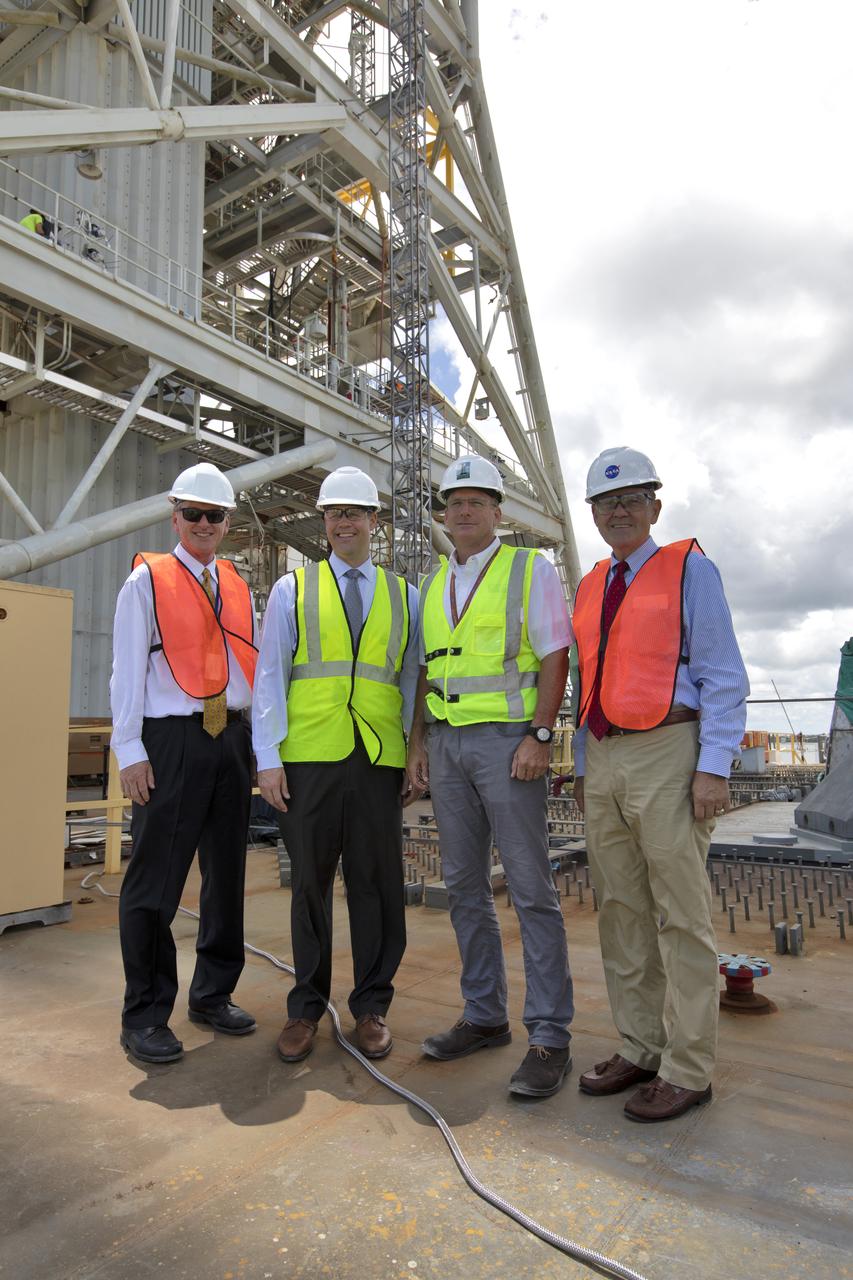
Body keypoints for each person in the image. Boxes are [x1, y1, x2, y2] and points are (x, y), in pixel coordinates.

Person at [573, 446, 749, 1122]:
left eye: (631, 497)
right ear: (591, 513)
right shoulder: (590, 584)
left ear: (654, 505)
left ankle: (687, 1067)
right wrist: (588, 766)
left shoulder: (689, 570)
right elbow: (591, 680)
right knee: (619, 910)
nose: (618, 509)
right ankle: (641, 1045)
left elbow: (722, 673)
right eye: (605, 501)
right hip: (604, 755)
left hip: (669, 750)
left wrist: (713, 766)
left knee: (680, 914)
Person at [407, 455, 574, 1098]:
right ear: (445, 513)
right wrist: (420, 744)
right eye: (455, 502)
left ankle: (550, 1035)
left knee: (532, 889)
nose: (465, 511)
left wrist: (539, 734)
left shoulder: (529, 569)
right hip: (447, 748)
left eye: (477, 501)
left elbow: (555, 654)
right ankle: (483, 1015)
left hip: (509, 745)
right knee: (464, 887)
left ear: (498, 511)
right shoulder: (432, 585)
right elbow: (426, 670)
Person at [253, 466, 419, 1064]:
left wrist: (409, 749)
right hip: (308, 760)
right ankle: (304, 1008)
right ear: (324, 522)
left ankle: (372, 1006)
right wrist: (268, 759)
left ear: (374, 521)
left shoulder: (405, 595)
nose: (344, 521)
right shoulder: (292, 590)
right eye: (334, 513)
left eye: (355, 512)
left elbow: (408, 680)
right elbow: (269, 674)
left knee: (377, 887)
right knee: (310, 887)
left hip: (376, 757)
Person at [110, 462, 258, 1065]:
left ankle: (212, 993)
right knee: (155, 880)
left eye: (214, 515)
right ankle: (145, 1014)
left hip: (230, 739)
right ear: (175, 517)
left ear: (226, 524)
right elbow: (124, 670)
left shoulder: (239, 585)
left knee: (226, 875)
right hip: (169, 741)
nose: (203, 523)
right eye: (192, 513)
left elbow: (257, 673)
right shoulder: (146, 583)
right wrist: (129, 751)